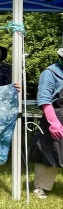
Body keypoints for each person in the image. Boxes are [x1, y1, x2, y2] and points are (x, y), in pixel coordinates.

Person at [31, 47, 63, 199]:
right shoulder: (50, 73)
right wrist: (53, 123)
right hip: (55, 116)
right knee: (49, 152)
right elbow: (44, 99)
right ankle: (41, 187)